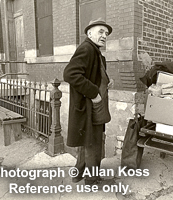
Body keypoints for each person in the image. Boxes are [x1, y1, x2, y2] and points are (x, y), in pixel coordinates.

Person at [63, 18, 113, 186]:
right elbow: (71, 74)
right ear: (89, 33)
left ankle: (77, 174)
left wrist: (106, 80)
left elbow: (91, 74)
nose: (104, 36)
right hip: (90, 106)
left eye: (106, 33)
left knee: (87, 141)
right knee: (94, 142)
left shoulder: (95, 51)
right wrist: (94, 94)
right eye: (100, 31)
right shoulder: (87, 49)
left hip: (91, 105)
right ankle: (92, 180)